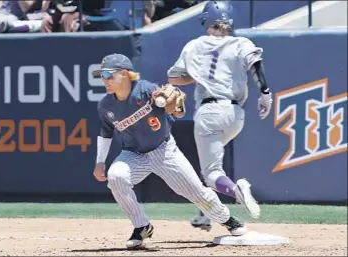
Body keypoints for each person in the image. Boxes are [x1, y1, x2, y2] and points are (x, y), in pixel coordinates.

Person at [92, 53, 248, 249]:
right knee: (116, 176)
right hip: (133, 154)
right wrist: (100, 162)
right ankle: (142, 226)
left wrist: (175, 104)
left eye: (108, 74)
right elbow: (105, 133)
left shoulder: (146, 90)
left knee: (196, 192)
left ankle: (227, 219)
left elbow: (178, 112)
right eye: (101, 75)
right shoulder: (106, 105)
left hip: (163, 150)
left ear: (124, 73)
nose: (104, 79)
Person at [167, 1, 273, 231]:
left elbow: (174, 78)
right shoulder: (241, 42)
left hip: (209, 111)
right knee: (212, 165)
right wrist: (265, 93)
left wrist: (198, 75)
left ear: (206, 19)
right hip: (236, 115)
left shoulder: (194, 46)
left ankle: (237, 191)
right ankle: (206, 212)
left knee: (212, 172)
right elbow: (256, 64)